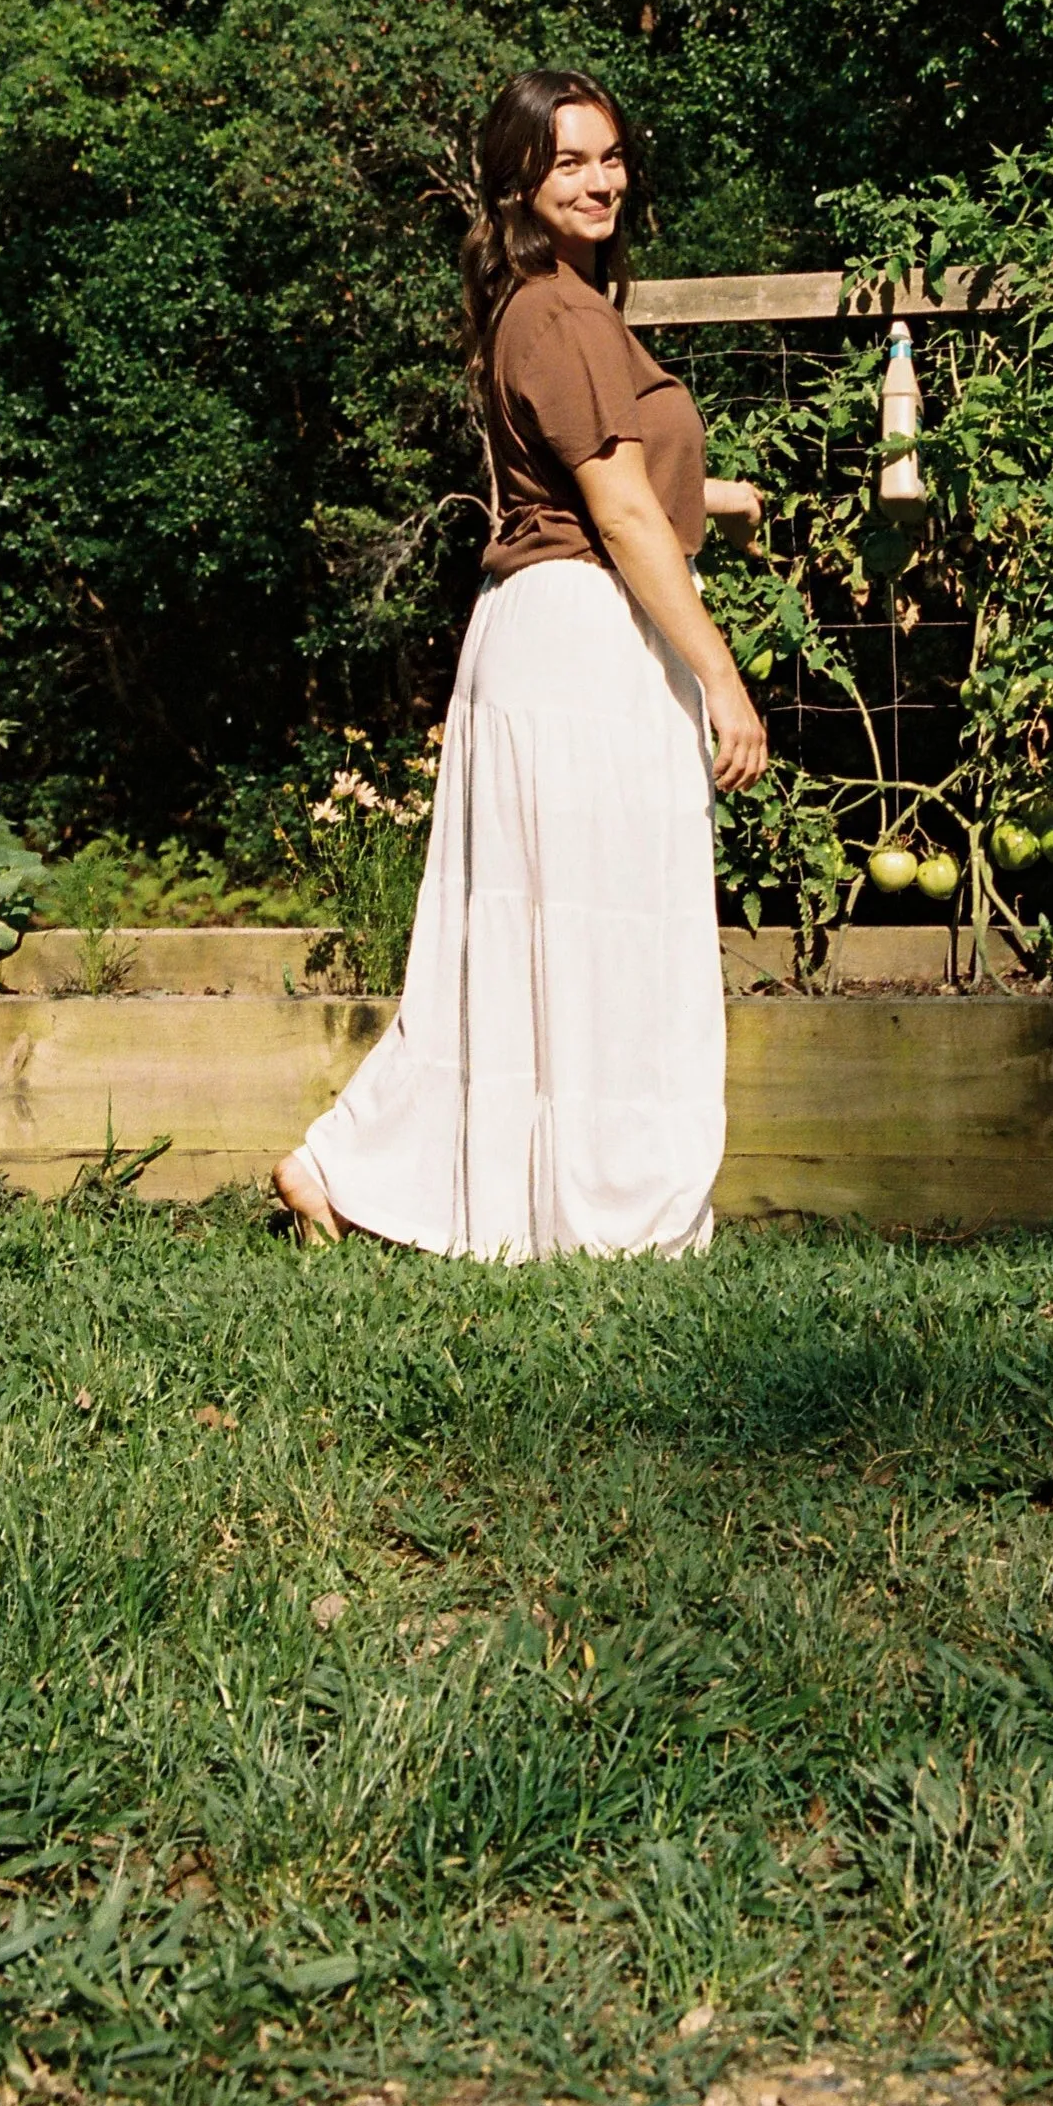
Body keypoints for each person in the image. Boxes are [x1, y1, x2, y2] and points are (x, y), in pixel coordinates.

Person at [271, 70, 768, 1257]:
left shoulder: (566, 306)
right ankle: (536, 1200)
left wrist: (727, 498)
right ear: (519, 183)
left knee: (565, 931)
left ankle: (360, 1168)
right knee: (595, 931)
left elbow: (623, 487)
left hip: (567, 625)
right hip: (582, 640)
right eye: (567, 163)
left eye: (608, 156)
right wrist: (724, 680)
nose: (598, 180)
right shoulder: (552, 312)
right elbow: (619, 515)